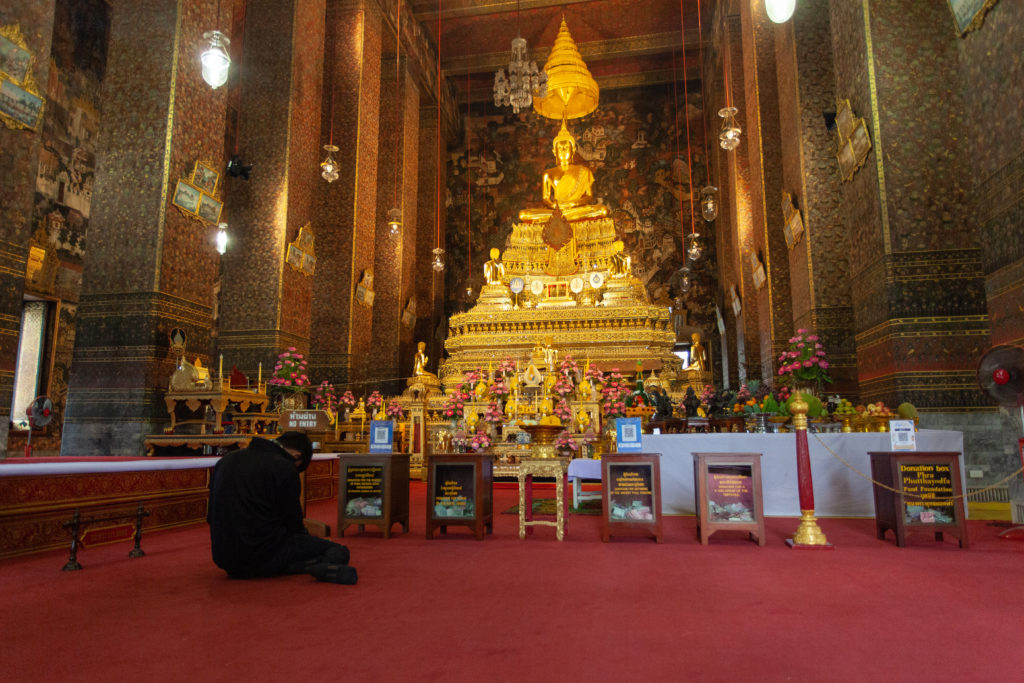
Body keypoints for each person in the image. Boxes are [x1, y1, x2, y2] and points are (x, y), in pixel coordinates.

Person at [207, 431, 357, 584]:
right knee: (337, 550)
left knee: (300, 551)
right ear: (296, 457)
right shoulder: (283, 466)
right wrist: (306, 541)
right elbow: (292, 521)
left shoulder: (226, 460)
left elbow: (210, 515)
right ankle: (323, 566)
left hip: (225, 558)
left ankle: (304, 565)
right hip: (262, 552)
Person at [519, 119, 609, 224]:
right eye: (560, 148)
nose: (563, 151)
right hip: (556, 210)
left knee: (602, 210)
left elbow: (589, 196)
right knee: (524, 214)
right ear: (554, 151)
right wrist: (554, 206)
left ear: (573, 150)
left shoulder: (584, 171)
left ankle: (568, 216)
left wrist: (573, 204)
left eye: (566, 148)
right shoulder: (548, 173)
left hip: (576, 209)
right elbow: (545, 199)